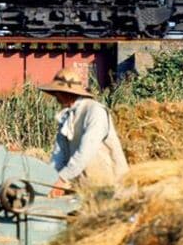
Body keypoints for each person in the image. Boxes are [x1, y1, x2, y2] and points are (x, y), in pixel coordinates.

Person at [39, 68, 128, 196]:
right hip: (85, 188)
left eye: (56, 93)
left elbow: (85, 151)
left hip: (111, 186)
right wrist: (49, 180)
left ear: (65, 93)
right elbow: (59, 155)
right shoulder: (66, 117)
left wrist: (63, 178)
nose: (55, 97)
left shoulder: (94, 111)